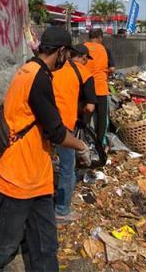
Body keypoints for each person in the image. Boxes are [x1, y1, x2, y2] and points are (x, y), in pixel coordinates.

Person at [0, 27, 91, 272]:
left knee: (45, 240)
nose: (66, 60)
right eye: (66, 55)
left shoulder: (29, 68)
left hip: (36, 174)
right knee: (7, 240)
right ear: (60, 52)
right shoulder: (38, 78)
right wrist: (82, 146)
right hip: (19, 176)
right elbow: (56, 132)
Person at [52, 44, 96, 222]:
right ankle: (61, 211)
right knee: (67, 168)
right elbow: (90, 106)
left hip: (44, 121)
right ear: (83, 57)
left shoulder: (55, 67)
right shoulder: (85, 73)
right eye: (86, 59)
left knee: (47, 162)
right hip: (64, 127)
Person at [84, 29, 115, 162]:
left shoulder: (82, 48)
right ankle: (99, 145)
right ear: (100, 37)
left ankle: (83, 142)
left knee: (85, 116)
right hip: (101, 88)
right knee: (102, 119)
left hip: (85, 87)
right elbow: (112, 69)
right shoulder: (105, 49)